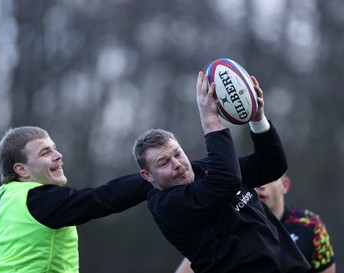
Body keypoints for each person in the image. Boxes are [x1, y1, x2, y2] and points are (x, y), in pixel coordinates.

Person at [132, 71, 311, 273]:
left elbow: (271, 166)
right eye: (163, 162)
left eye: (178, 154)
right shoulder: (166, 205)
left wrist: (257, 118)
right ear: (147, 175)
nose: (178, 164)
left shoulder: (206, 169)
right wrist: (210, 120)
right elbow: (226, 182)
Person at [0, 126, 152, 272]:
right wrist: (153, 177)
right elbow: (101, 199)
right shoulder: (39, 199)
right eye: (45, 153)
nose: (58, 155)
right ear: (22, 170)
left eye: (54, 148)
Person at [174, 174, 336, 273]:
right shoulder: (224, 227)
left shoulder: (310, 225)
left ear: (284, 185)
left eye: (268, 178)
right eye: (252, 179)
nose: (259, 185)